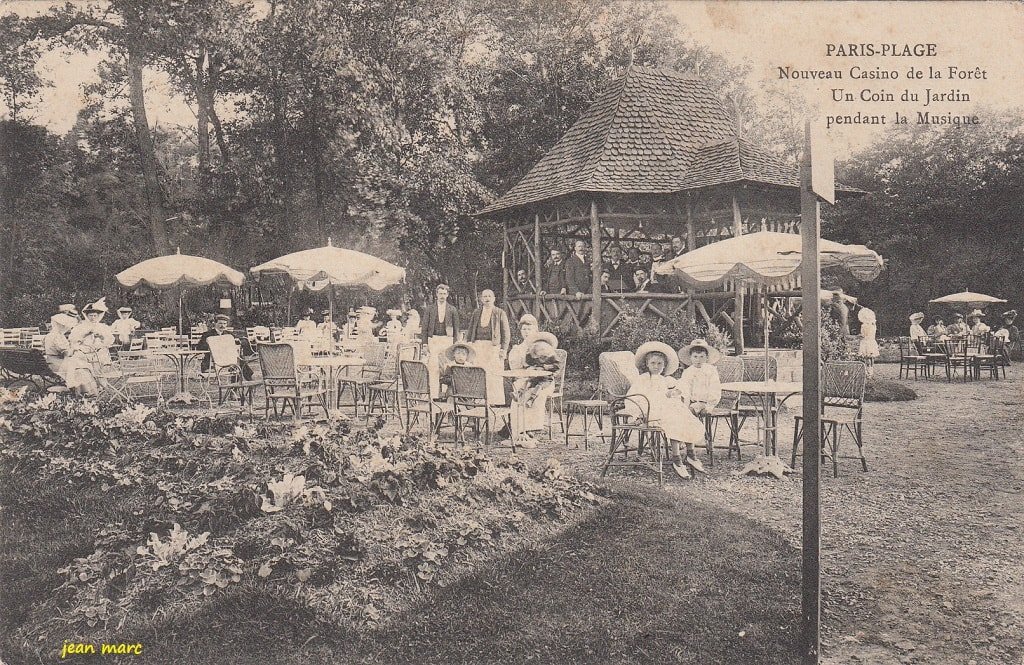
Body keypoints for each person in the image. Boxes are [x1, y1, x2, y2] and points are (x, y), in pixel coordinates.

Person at [623, 341, 706, 479]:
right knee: (674, 417)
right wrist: (637, 415)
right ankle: (677, 459)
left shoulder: (665, 379)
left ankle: (691, 454)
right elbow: (632, 397)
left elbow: (679, 388)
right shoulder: (643, 379)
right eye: (653, 363)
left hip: (664, 410)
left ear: (664, 365)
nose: (656, 367)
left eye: (660, 364)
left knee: (683, 414)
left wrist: (675, 392)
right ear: (647, 364)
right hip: (650, 412)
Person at [507, 329, 562, 448]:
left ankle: (531, 428)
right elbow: (527, 365)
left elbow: (557, 368)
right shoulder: (530, 353)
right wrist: (532, 369)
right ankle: (519, 430)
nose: (541, 350)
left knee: (537, 391)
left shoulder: (551, 356)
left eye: (543, 347)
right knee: (523, 386)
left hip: (546, 380)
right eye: (538, 347)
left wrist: (545, 368)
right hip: (532, 377)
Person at [465, 289, 512, 404]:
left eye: (489, 296)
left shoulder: (500, 313)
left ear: (494, 299)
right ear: (481, 299)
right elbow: (470, 330)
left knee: (494, 374)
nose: (487, 299)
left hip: (493, 347)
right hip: (478, 346)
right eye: (484, 296)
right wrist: (468, 344)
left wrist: (504, 349)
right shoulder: (477, 313)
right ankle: (479, 401)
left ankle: (495, 402)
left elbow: (506, 333)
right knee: (478, 373)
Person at [63, 298, 115, 396]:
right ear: (86, 316)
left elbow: (110, 340)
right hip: (85, 351)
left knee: (99, 360)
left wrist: (101, 336)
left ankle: (99, 385)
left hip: (99, 352)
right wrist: (85, 335)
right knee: (77, 362)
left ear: (98, 316)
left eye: (95, 315)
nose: (93, 318)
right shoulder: (80, 327)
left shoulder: (103, 327)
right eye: (90, 315)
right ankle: (84, 389)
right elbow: (73, 340)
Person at [422, 284, 460, 397]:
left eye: (444, 294)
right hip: (433, 339)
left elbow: (456, 328)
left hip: (447, 340)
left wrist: (456, 343)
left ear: (447, 295)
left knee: (446, 366)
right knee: (433, 366)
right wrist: (424, 344)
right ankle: (434, 394)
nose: (442, 296)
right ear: (436, 294)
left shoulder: (452, 309)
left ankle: (445, 393)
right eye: (440, 293)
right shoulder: (430, 309)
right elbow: (424, 328)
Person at [197, 314, 254, 380]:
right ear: (215, 323)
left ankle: (240, 383)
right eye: (220, 323)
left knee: (238, 359)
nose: (222, 326)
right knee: (237, 361)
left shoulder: (229, 334)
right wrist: (211, 345)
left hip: (227, 357)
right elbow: (200, 347)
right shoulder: (207, 334)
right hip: (213, 359)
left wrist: (238, 341)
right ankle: (247, 380)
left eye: (224, 323)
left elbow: (241, 341)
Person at [677, 338, 722, 418]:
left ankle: (705, 429)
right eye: (695, 357)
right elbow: (685, 389)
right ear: (690, 357)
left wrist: (710, 405)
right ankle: (692, 430)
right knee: (686, 413)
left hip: (707, 402)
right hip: (693, 403)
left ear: (706, 357)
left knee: (705, 412)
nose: (698, 360)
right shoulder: (688, 372)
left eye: (702, 357)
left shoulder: (710, 370)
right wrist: (686, 405)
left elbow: (715, 388)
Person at [43, 313, 76, 377]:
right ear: (59, 325)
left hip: (50, 361)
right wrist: (75, 350)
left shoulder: (49, 335)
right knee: (81, 367)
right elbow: (65, 353)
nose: (66, 327)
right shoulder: (58, 336)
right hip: (57, 364)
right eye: (64, 326)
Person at [856, 307, 880, 376]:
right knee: (871, 357)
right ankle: (871, 370)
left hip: (866, 342)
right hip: (872, 341)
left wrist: (859, 336)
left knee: (866, 357)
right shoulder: (873, 325)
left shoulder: (863, 326)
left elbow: (863, 335)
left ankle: (867, 371)